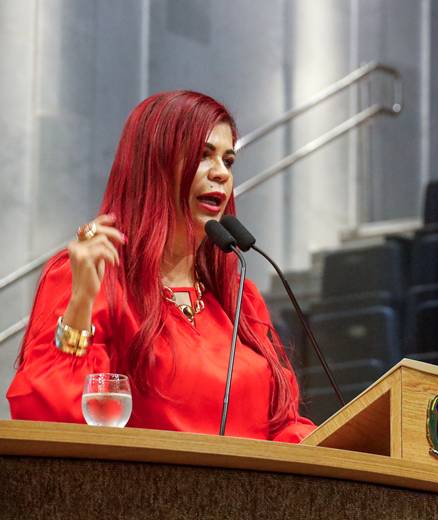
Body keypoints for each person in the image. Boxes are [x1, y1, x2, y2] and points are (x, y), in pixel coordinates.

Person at [6, 91, 316, 442]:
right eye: (203, 155)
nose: (220, 173)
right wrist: (80, 306)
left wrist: (335, 444)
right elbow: (46, 416)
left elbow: (283, 425)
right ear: (154, 165)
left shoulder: (240, 297)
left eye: (228, 161)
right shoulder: (96, 275)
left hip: (250, 480)